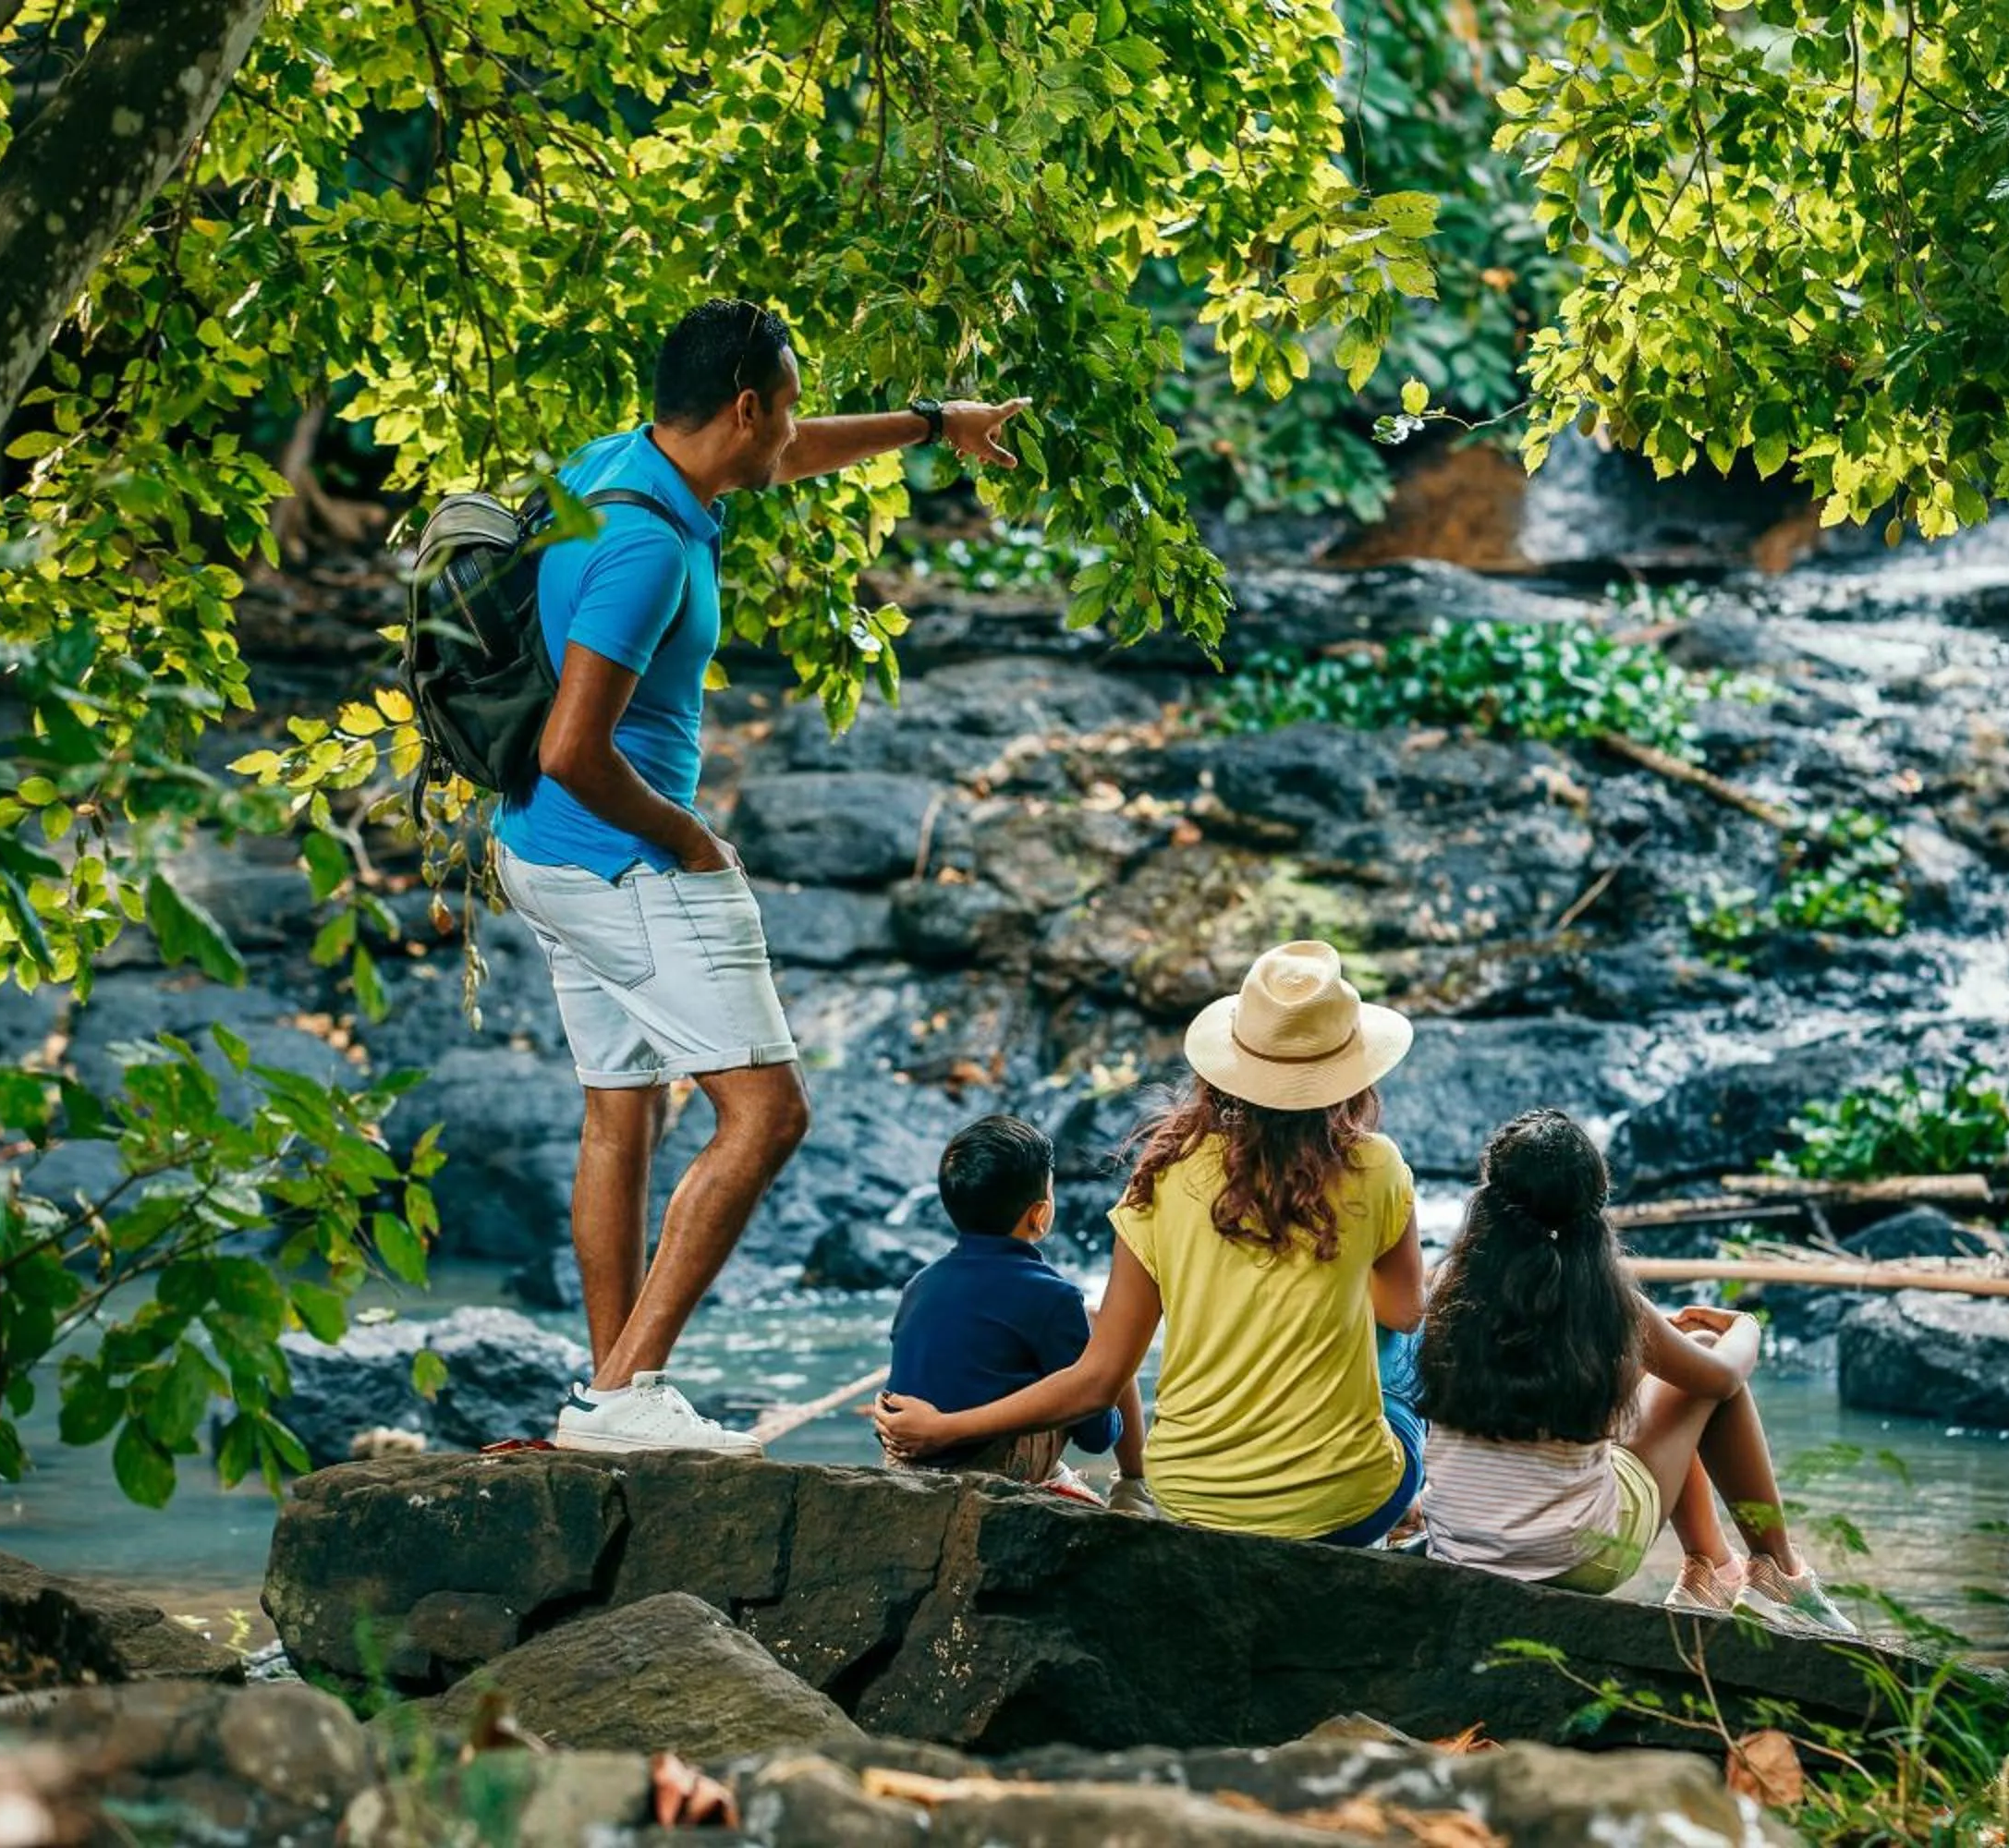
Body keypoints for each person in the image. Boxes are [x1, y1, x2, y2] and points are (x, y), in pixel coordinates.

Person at [497, 297, 1031, 1453]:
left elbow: (797, 454)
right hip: (625, 861)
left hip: (536, 852)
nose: (794, 429)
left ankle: (613, 1396)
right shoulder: (645, 547)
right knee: (769, 1112)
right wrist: (691, 839)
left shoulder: (618, 466)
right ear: (744, 408)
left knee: (618, 1112)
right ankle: (627, 1387)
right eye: (784, 406)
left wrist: (937, 424)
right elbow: (572, 748)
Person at [874, 941, 1425, 1544]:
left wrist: (946, 1430)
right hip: (1341, 1511)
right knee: (1399, 1343)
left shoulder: (1164, 1174)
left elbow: (1099, 1379)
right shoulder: (1376, 1166)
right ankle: (1420, 1513)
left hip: (1191, 1501)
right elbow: (1401, 1310)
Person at [1416, 1109, 1860, 1633]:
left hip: (1459, 1545)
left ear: (1489, 1200)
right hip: (1578, 1558)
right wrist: (1745, 1328)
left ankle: (1712, 1573)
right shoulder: (1608, 1303)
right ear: (1594, 1205)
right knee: (1703, 1354)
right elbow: (1720, 1378)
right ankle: (1780, 1577)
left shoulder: (1446, 1284)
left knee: (1672, 1380)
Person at [885, 1114, 1151, 1504]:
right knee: (1106, 1340)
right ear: (1040, 1214)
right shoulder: (1052, 1297)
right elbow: (1097, 1436)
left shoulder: (918, 1286)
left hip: (906, 1462)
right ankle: (1133, 1485)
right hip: (988, 1470)